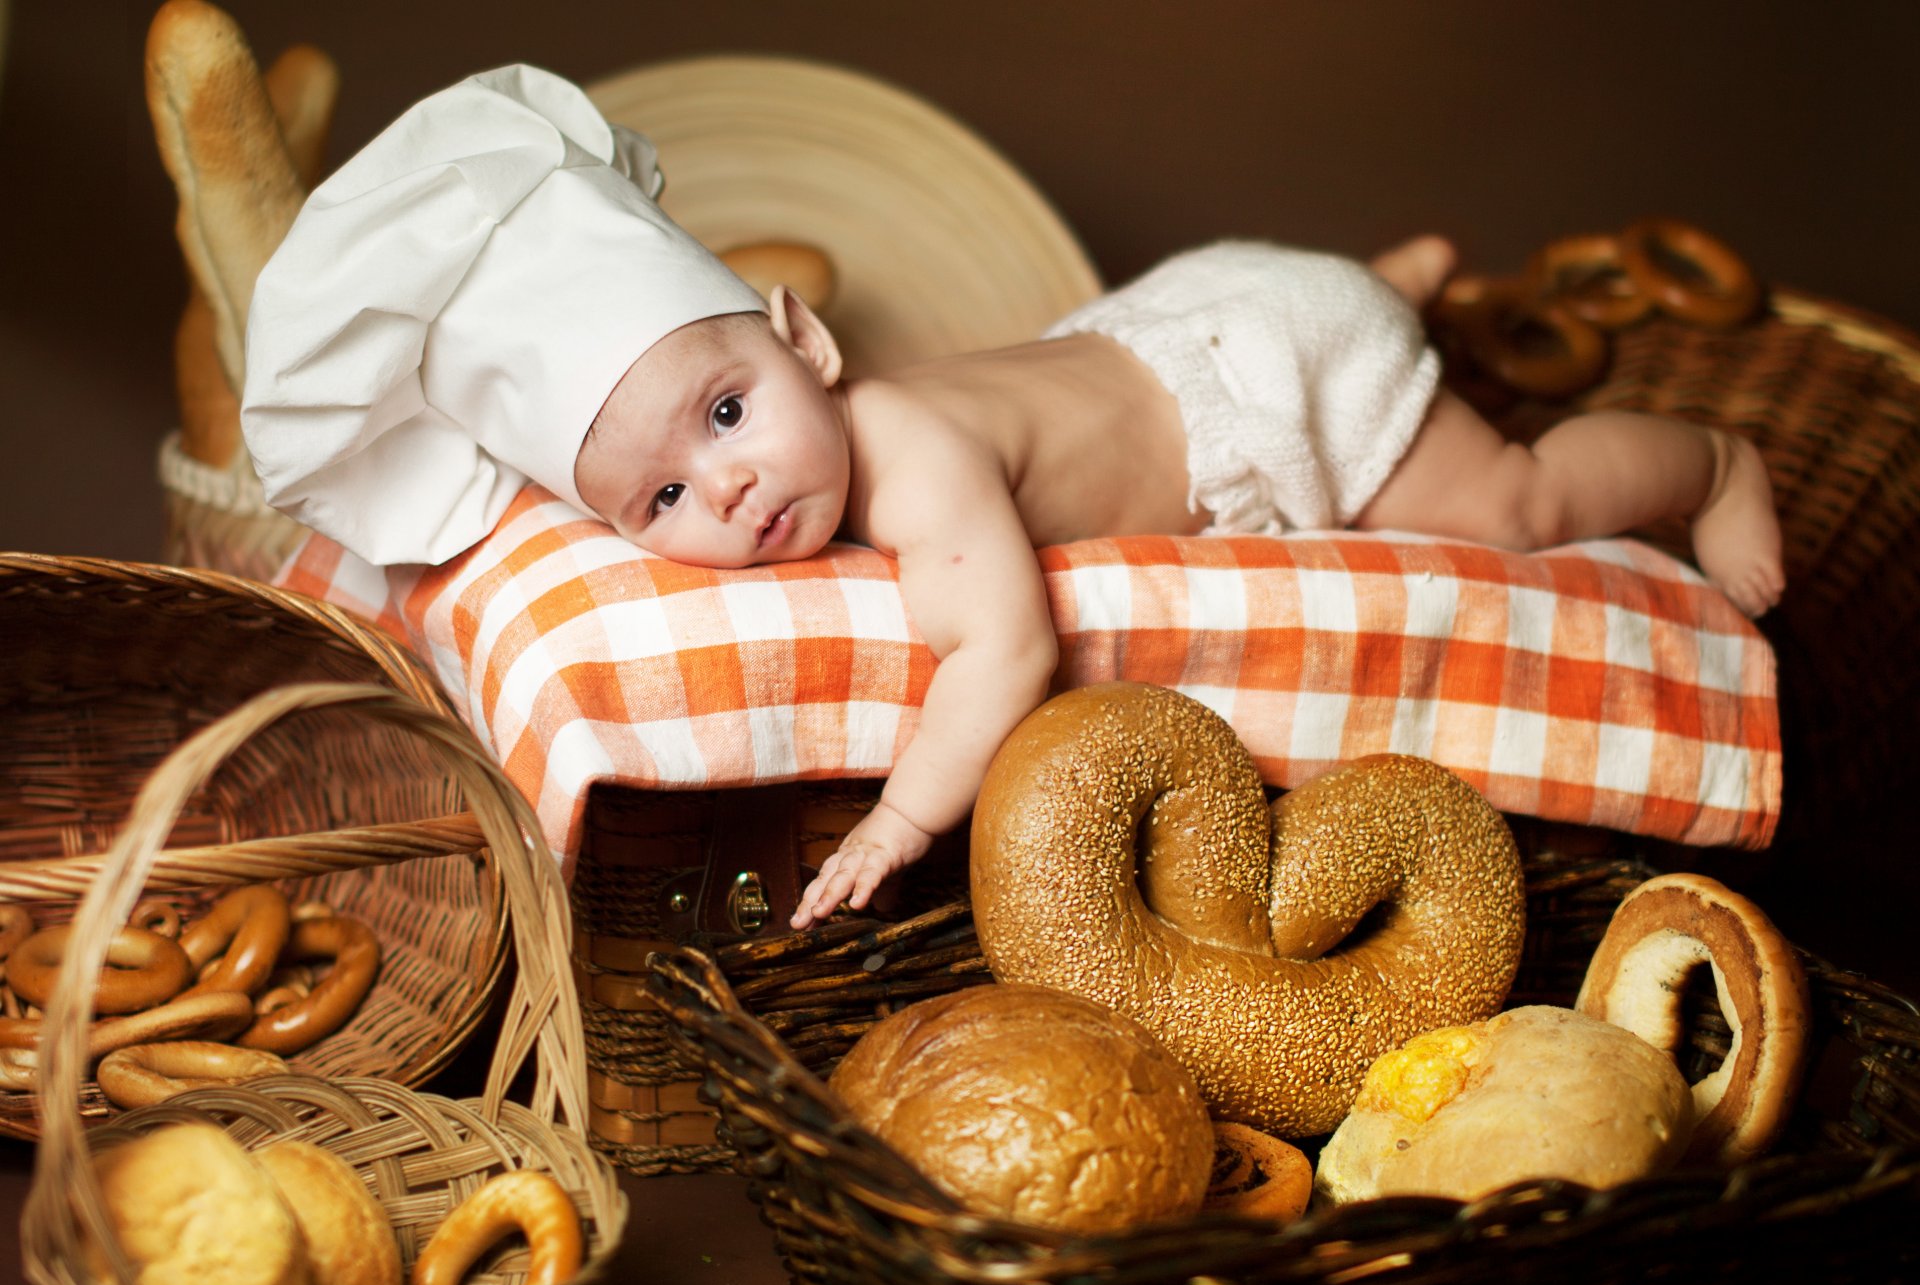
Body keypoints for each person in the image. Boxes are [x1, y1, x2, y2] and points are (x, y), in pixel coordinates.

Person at [243, 66, 1785, 931]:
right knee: (1322, 312)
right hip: (1166, 324)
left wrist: (907, 815)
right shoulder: (808, 448)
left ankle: (1704, 461)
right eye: (663, 492)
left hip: (1266, 388)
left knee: (1501, 500)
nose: (732, 484)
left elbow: (1007, 651)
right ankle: (1399, 282)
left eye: (729, 411)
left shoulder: (906, 452)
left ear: (809, 340)